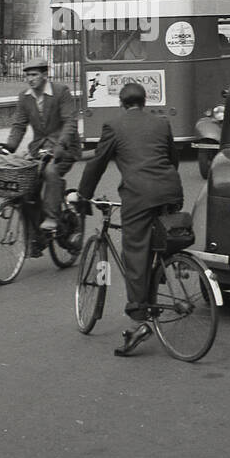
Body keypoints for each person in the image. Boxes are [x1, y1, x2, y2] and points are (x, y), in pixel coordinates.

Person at [68, 81, 183, 356]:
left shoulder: (114, 126)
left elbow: (96, 164)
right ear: (145, 102)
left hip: (139, 196)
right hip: (170, 189)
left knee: (134, 252)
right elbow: (172, 159)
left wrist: (83, 195)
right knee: (159, 239)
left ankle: (138, 321)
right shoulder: (161, 124)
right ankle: (163, 273)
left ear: (122, 103)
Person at [0, 58, 80, 248]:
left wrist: (61, 145)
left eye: (34, 75)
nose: (30, 79)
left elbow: (70, 122)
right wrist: (9, 147)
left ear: (44, 75)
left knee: (51, 172)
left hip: (64, 148)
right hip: (39, 148)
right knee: (27, 188)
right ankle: (37, 237)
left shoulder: (60, 92)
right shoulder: (25, 97)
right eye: (27, 75)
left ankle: (52, 218)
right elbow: (19, 125)